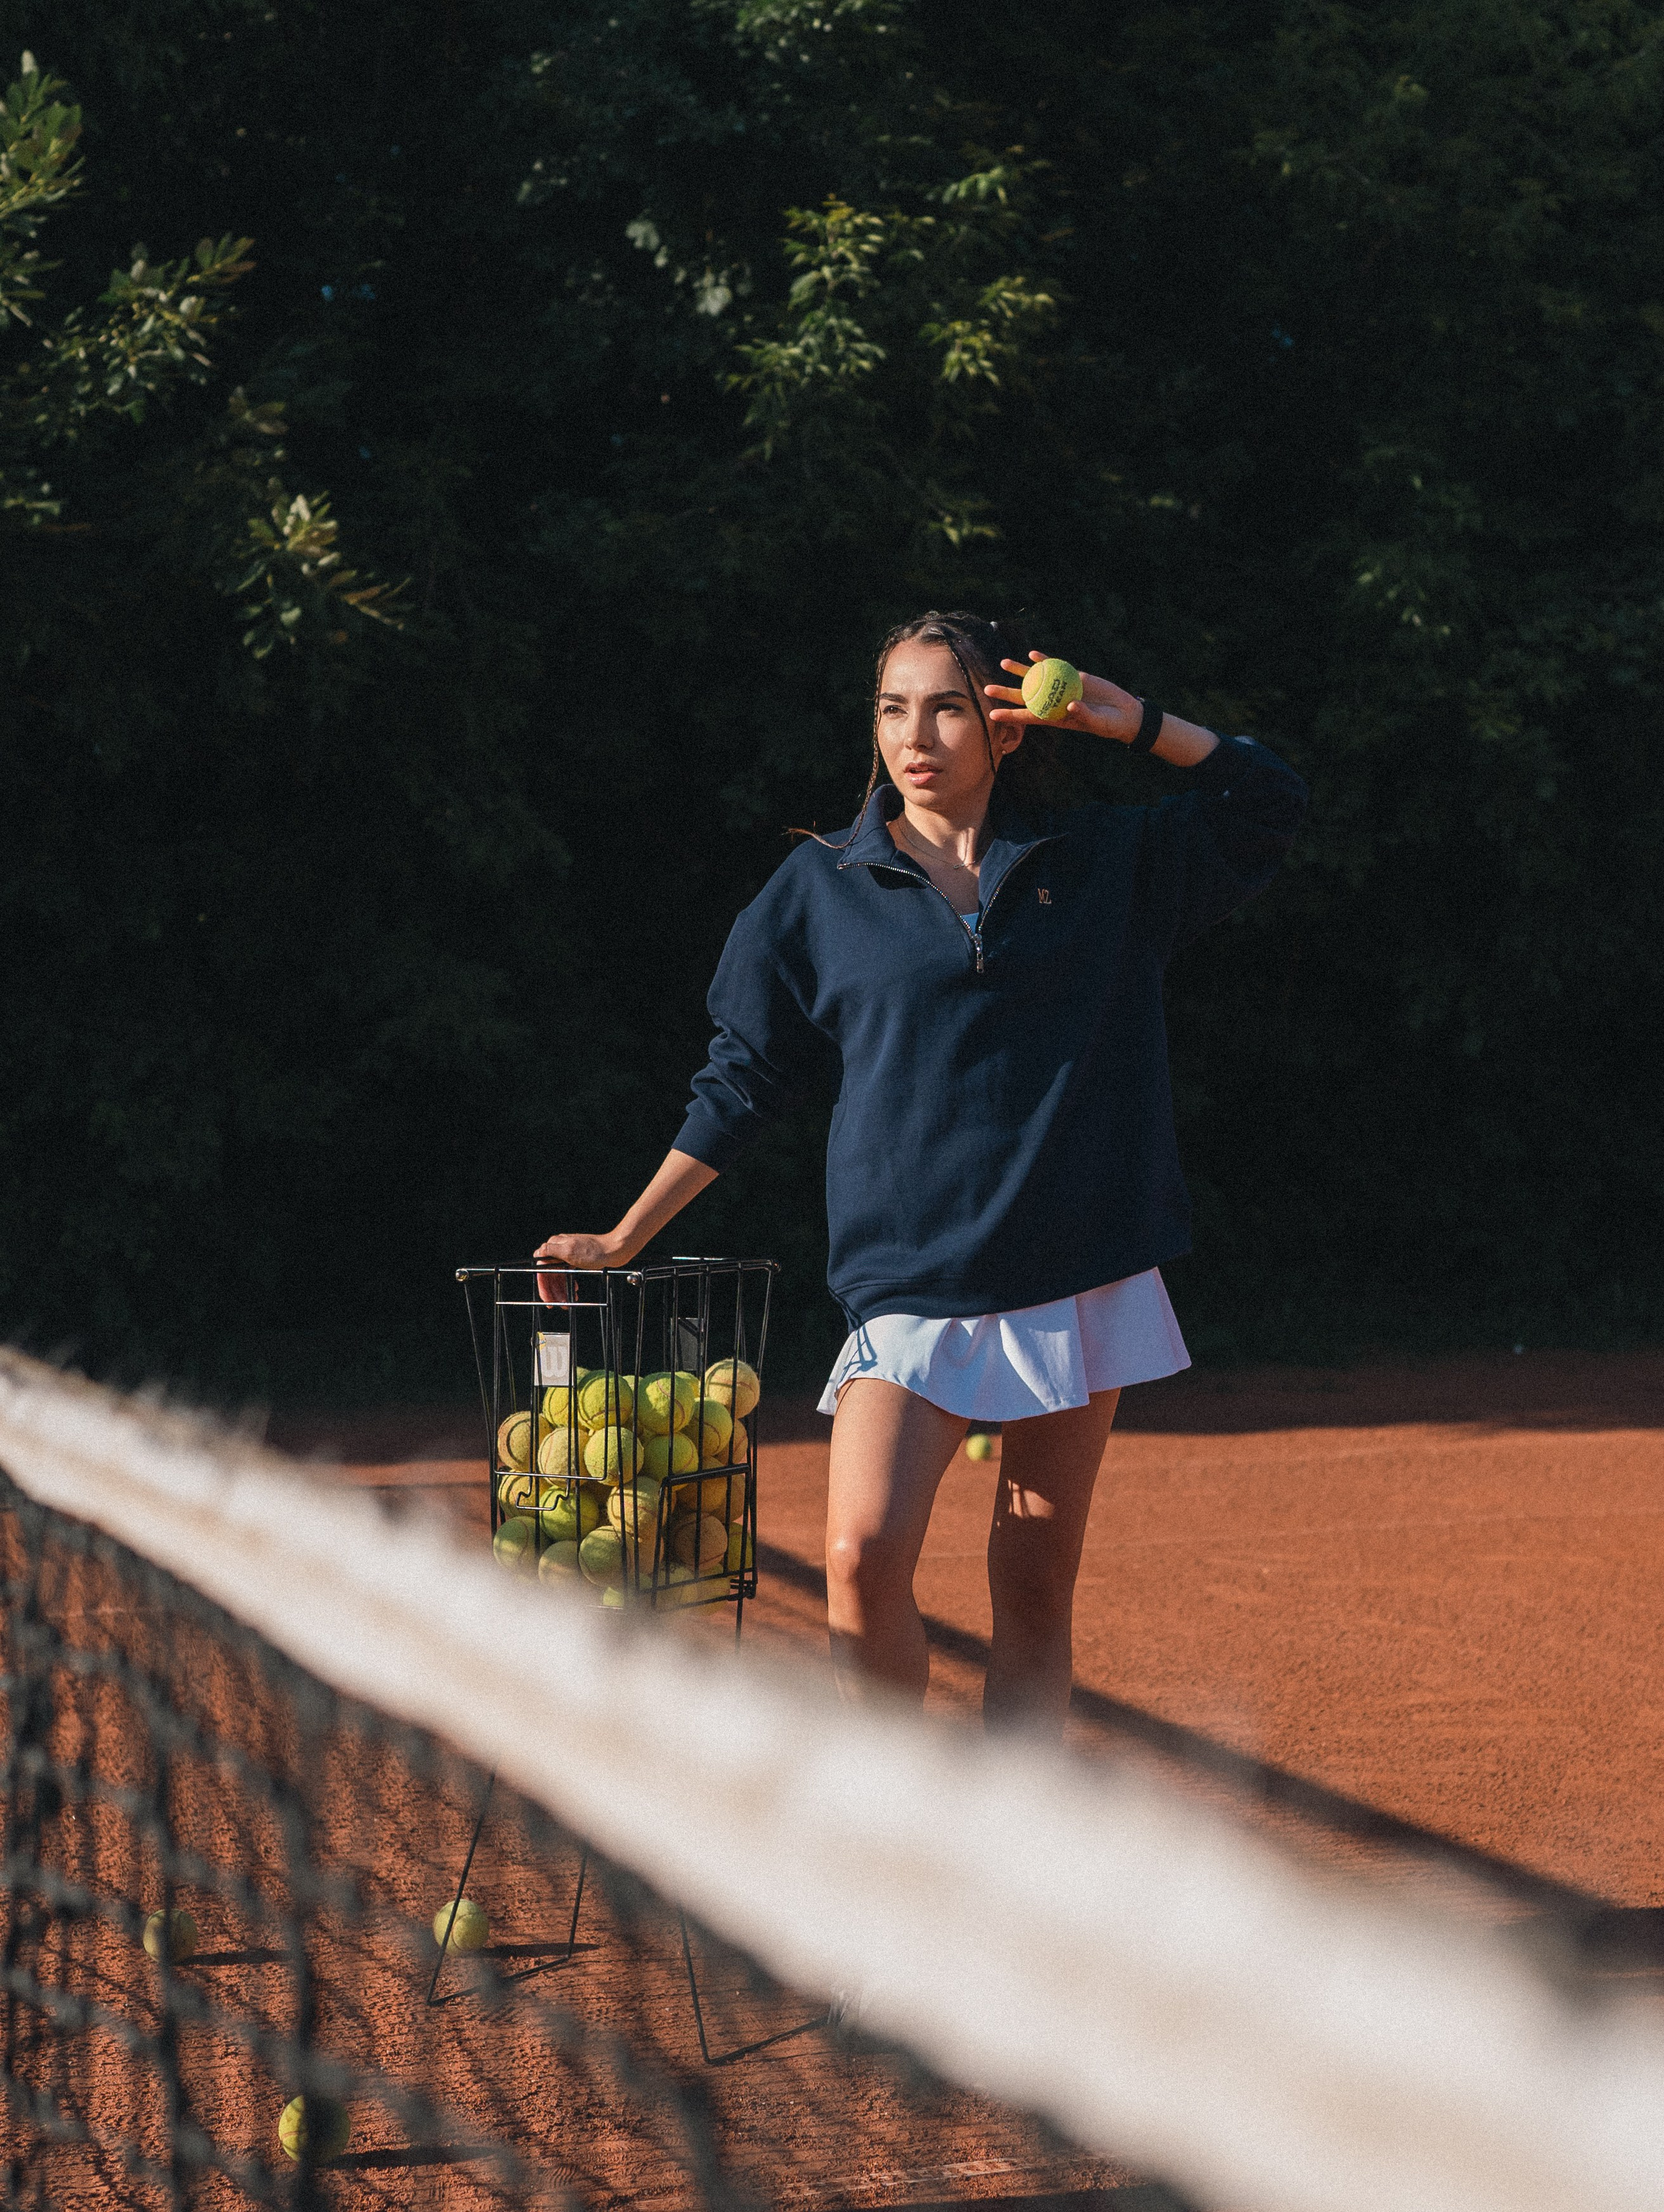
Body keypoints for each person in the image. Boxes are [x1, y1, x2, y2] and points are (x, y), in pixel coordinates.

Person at [536, 612, 1306, 1734]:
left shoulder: (1098, 867)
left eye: (947, 706)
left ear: (1004, 727)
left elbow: (1269, 800)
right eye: (893, 708)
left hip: (1073, 1271)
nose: (917, 734)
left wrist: (1129, 719)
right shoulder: (817, 890)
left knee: (1034, 1587)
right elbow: (742, 1079)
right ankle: (899, 1838)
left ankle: (1005, 1863)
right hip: (907, 1281)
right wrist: (624, 1235)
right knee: (858, 1558)